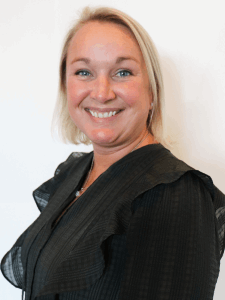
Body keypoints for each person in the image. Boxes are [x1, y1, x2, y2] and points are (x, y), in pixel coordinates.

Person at [1, 5, 225, 300]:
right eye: (84, 72)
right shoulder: (74, 173)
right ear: (66, 86)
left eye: (122, 72)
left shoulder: (175, 193)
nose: (102, 92)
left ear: (152, 91)